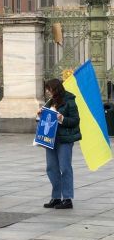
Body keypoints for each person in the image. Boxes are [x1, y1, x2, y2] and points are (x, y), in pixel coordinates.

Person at [39, 79, 81, 209]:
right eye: (47, 90)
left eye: (49, 89)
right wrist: (40, 115)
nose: (48, 92)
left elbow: (75, 120)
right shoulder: (50, 102)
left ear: (56, 89)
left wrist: (62, 118)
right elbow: (46, 119)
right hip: (50, 138)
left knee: (65, 168)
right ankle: (56, 197)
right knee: (51, 168)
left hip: (64, 139)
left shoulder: (69, 101)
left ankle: (67, 198)